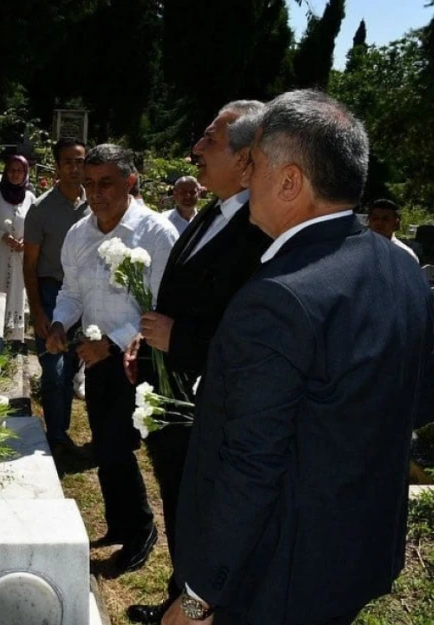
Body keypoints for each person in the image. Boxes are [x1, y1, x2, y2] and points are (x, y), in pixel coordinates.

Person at [164, 90, 434, 625]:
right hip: (358, 552)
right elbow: (421, 402)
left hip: (277, 575)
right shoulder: (402, 268)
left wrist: (199, 596)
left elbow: (251, 464)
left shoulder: (278, 296)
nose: (245, 179)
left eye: (256, 164)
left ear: (290, 182)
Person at [124, 101, 271, 625]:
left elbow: (250, 330)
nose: (196, 150)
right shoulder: (214, 208)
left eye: (210, 139)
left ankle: (195, 609)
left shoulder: (260, 229)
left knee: (202, 512)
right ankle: (177, 600)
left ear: (247, 156)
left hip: (207, 401)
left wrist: (179, 338)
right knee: (181, 506)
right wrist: (149, 341)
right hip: (173, 388)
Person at [47, 144, 178, 574]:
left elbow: (164, 304)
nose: (96, 194)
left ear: (130, 181)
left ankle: (142, 531)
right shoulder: (79, 234)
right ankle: (120, 522)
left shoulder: (156, 234)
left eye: (106, 184)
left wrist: (115, 341)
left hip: (140, 358)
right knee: (104, 445)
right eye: (89, 184)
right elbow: (70, 293)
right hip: (97, 356)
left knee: (121, 447)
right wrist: (60, 324)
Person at [23, 138, 88, 452]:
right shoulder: (41, 210)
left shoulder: (97, 205)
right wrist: (37, 311)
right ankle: (58, 436)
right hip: (52, 292)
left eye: (80, 161)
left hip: (87, 295)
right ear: (57, 166)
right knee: (54, 369)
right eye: (68, 162)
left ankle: (62, 429)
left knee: (74, 365)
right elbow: (30, 265)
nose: (75, 168)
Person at [0, 154, 36, 342]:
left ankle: (12, 339)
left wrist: (24, 241)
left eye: (19, 171)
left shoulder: (30, 197)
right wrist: (2, 236)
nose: (15, 174)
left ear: (25, 173)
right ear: (6, 171)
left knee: (16, 292)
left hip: (18, 256)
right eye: (12, 170)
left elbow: (35, 226)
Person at [367, 198, 420, 262]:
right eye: (375, 218)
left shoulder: (406, 255)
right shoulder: (357, 249)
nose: (379, 223)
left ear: (396, 223)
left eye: (385, 219)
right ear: (368, 221)